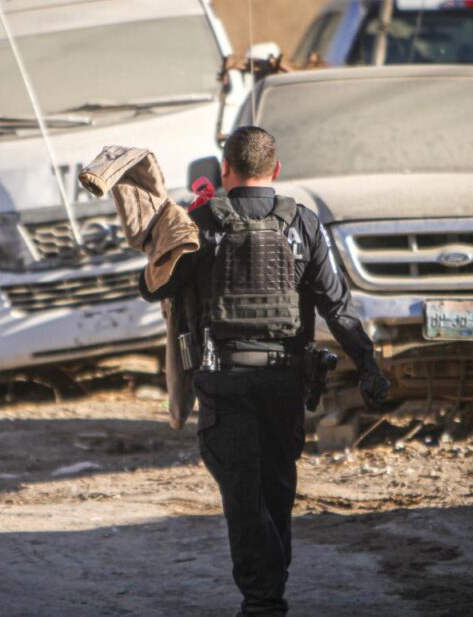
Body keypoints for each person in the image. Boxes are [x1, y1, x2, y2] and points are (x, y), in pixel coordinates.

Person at [141, 125, 390, 616]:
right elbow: (337, 307)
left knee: (242, 492)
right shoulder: (303, 223)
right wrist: (368, 364)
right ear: (275, 170)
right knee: (276, 488)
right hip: (284, 381)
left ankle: (262, 599)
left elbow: (154, 290)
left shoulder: (200, 223)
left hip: (225, 379)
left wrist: (160, 240)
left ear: (224, 171)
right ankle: (270, 588)